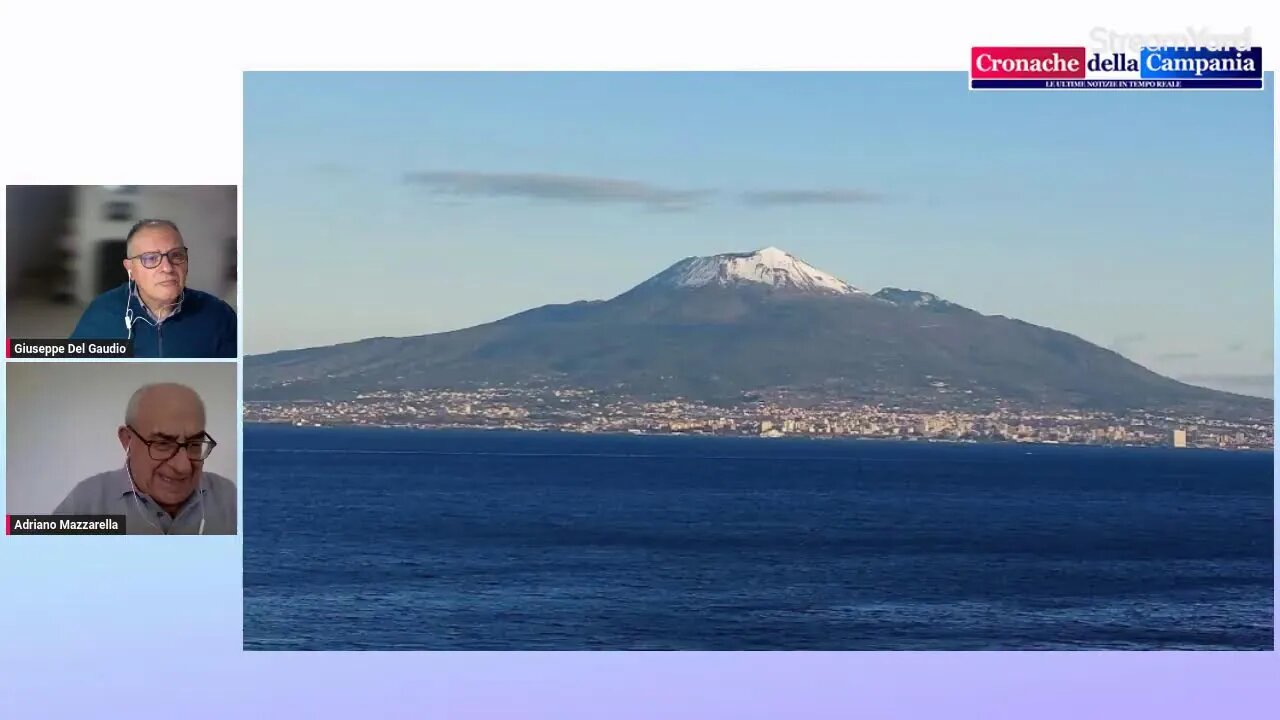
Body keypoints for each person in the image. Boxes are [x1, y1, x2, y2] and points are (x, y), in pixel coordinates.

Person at [52, 383, 237, 535]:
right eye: (163, 444)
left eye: (195, 444)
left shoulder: (229, 498)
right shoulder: (86, 503)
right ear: (127, 441)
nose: (184, 467)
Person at [69, 219, 237, 357]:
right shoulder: (101, 313)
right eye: (150, 258)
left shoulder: (219, 315)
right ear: (130, 269)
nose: (167, 268)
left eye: (176, 255)